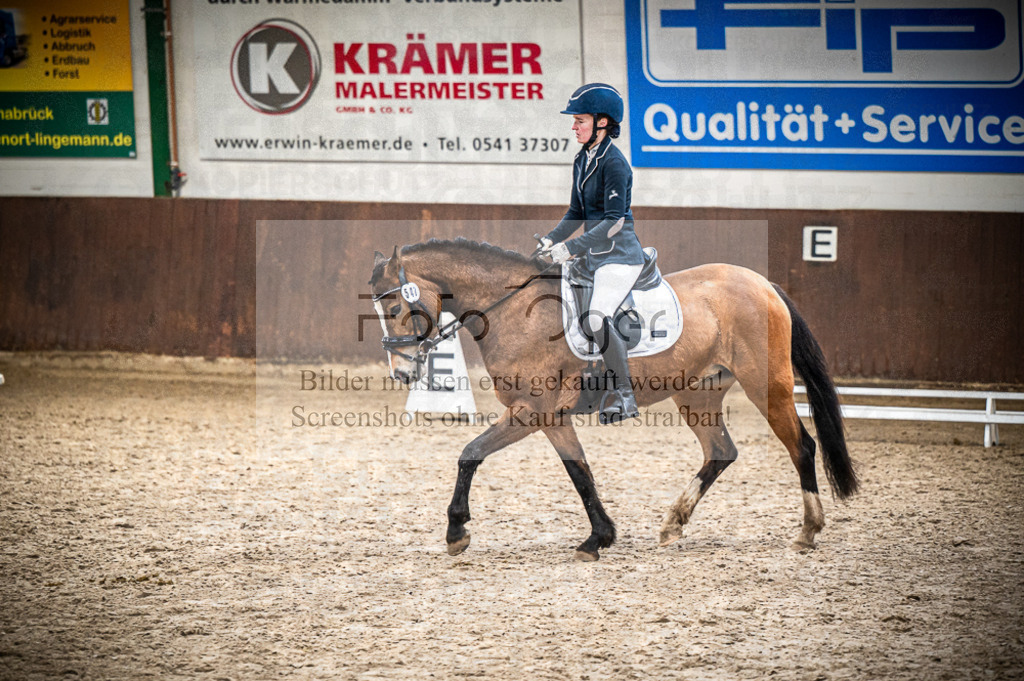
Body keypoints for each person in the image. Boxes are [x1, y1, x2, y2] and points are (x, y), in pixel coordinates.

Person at [537, 83, 644, 424]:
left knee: (596, 317)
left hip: (619, 255)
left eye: (580, 120)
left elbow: (613, 224)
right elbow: (575, 212)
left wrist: (570, 248)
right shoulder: (583, 158)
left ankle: (624, 396)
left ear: (602, 122)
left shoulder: (616, 164)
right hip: (593, 256)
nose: (574, 126)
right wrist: (551, 241)